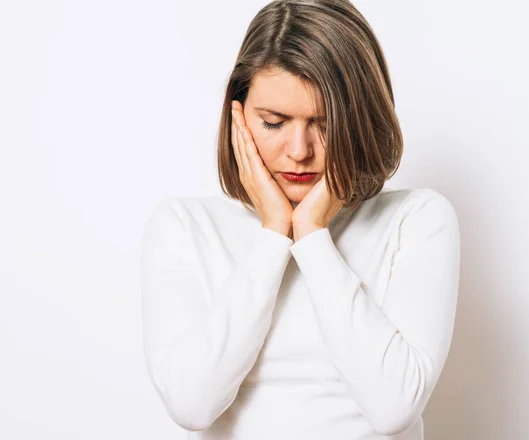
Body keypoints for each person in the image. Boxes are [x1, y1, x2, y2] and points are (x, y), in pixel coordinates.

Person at [140, 1, 461, 439]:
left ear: (361, 119)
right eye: (274, 122)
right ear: (238, 116)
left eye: (325, 124)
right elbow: (192, 405)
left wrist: (311, 234)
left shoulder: (416, 220)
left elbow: (393, 408)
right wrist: (275, 233)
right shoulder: (183, 226)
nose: (299, 150)